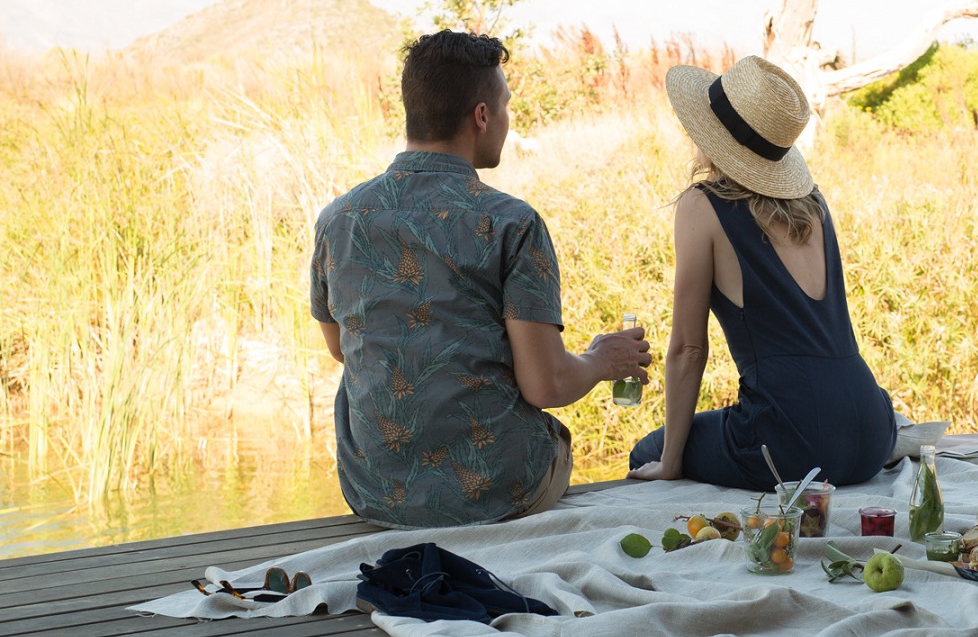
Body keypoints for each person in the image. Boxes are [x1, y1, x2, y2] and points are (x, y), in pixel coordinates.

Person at [310, 31, 649, 527]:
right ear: (482, 115)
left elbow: (341, 346)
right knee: (550, 440)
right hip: (496, 492)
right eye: (506, 106)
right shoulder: (511, 223)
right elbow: (547, 384)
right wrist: (601, 360)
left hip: (375, 492)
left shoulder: (338, 218)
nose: (507, 122)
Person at [628, 55, 897, 489]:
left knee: (648, 451)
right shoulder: (816, 205)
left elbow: (688, 350)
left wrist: (670, 462)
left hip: (791, 440)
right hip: (871, 430)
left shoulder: (703, 205)